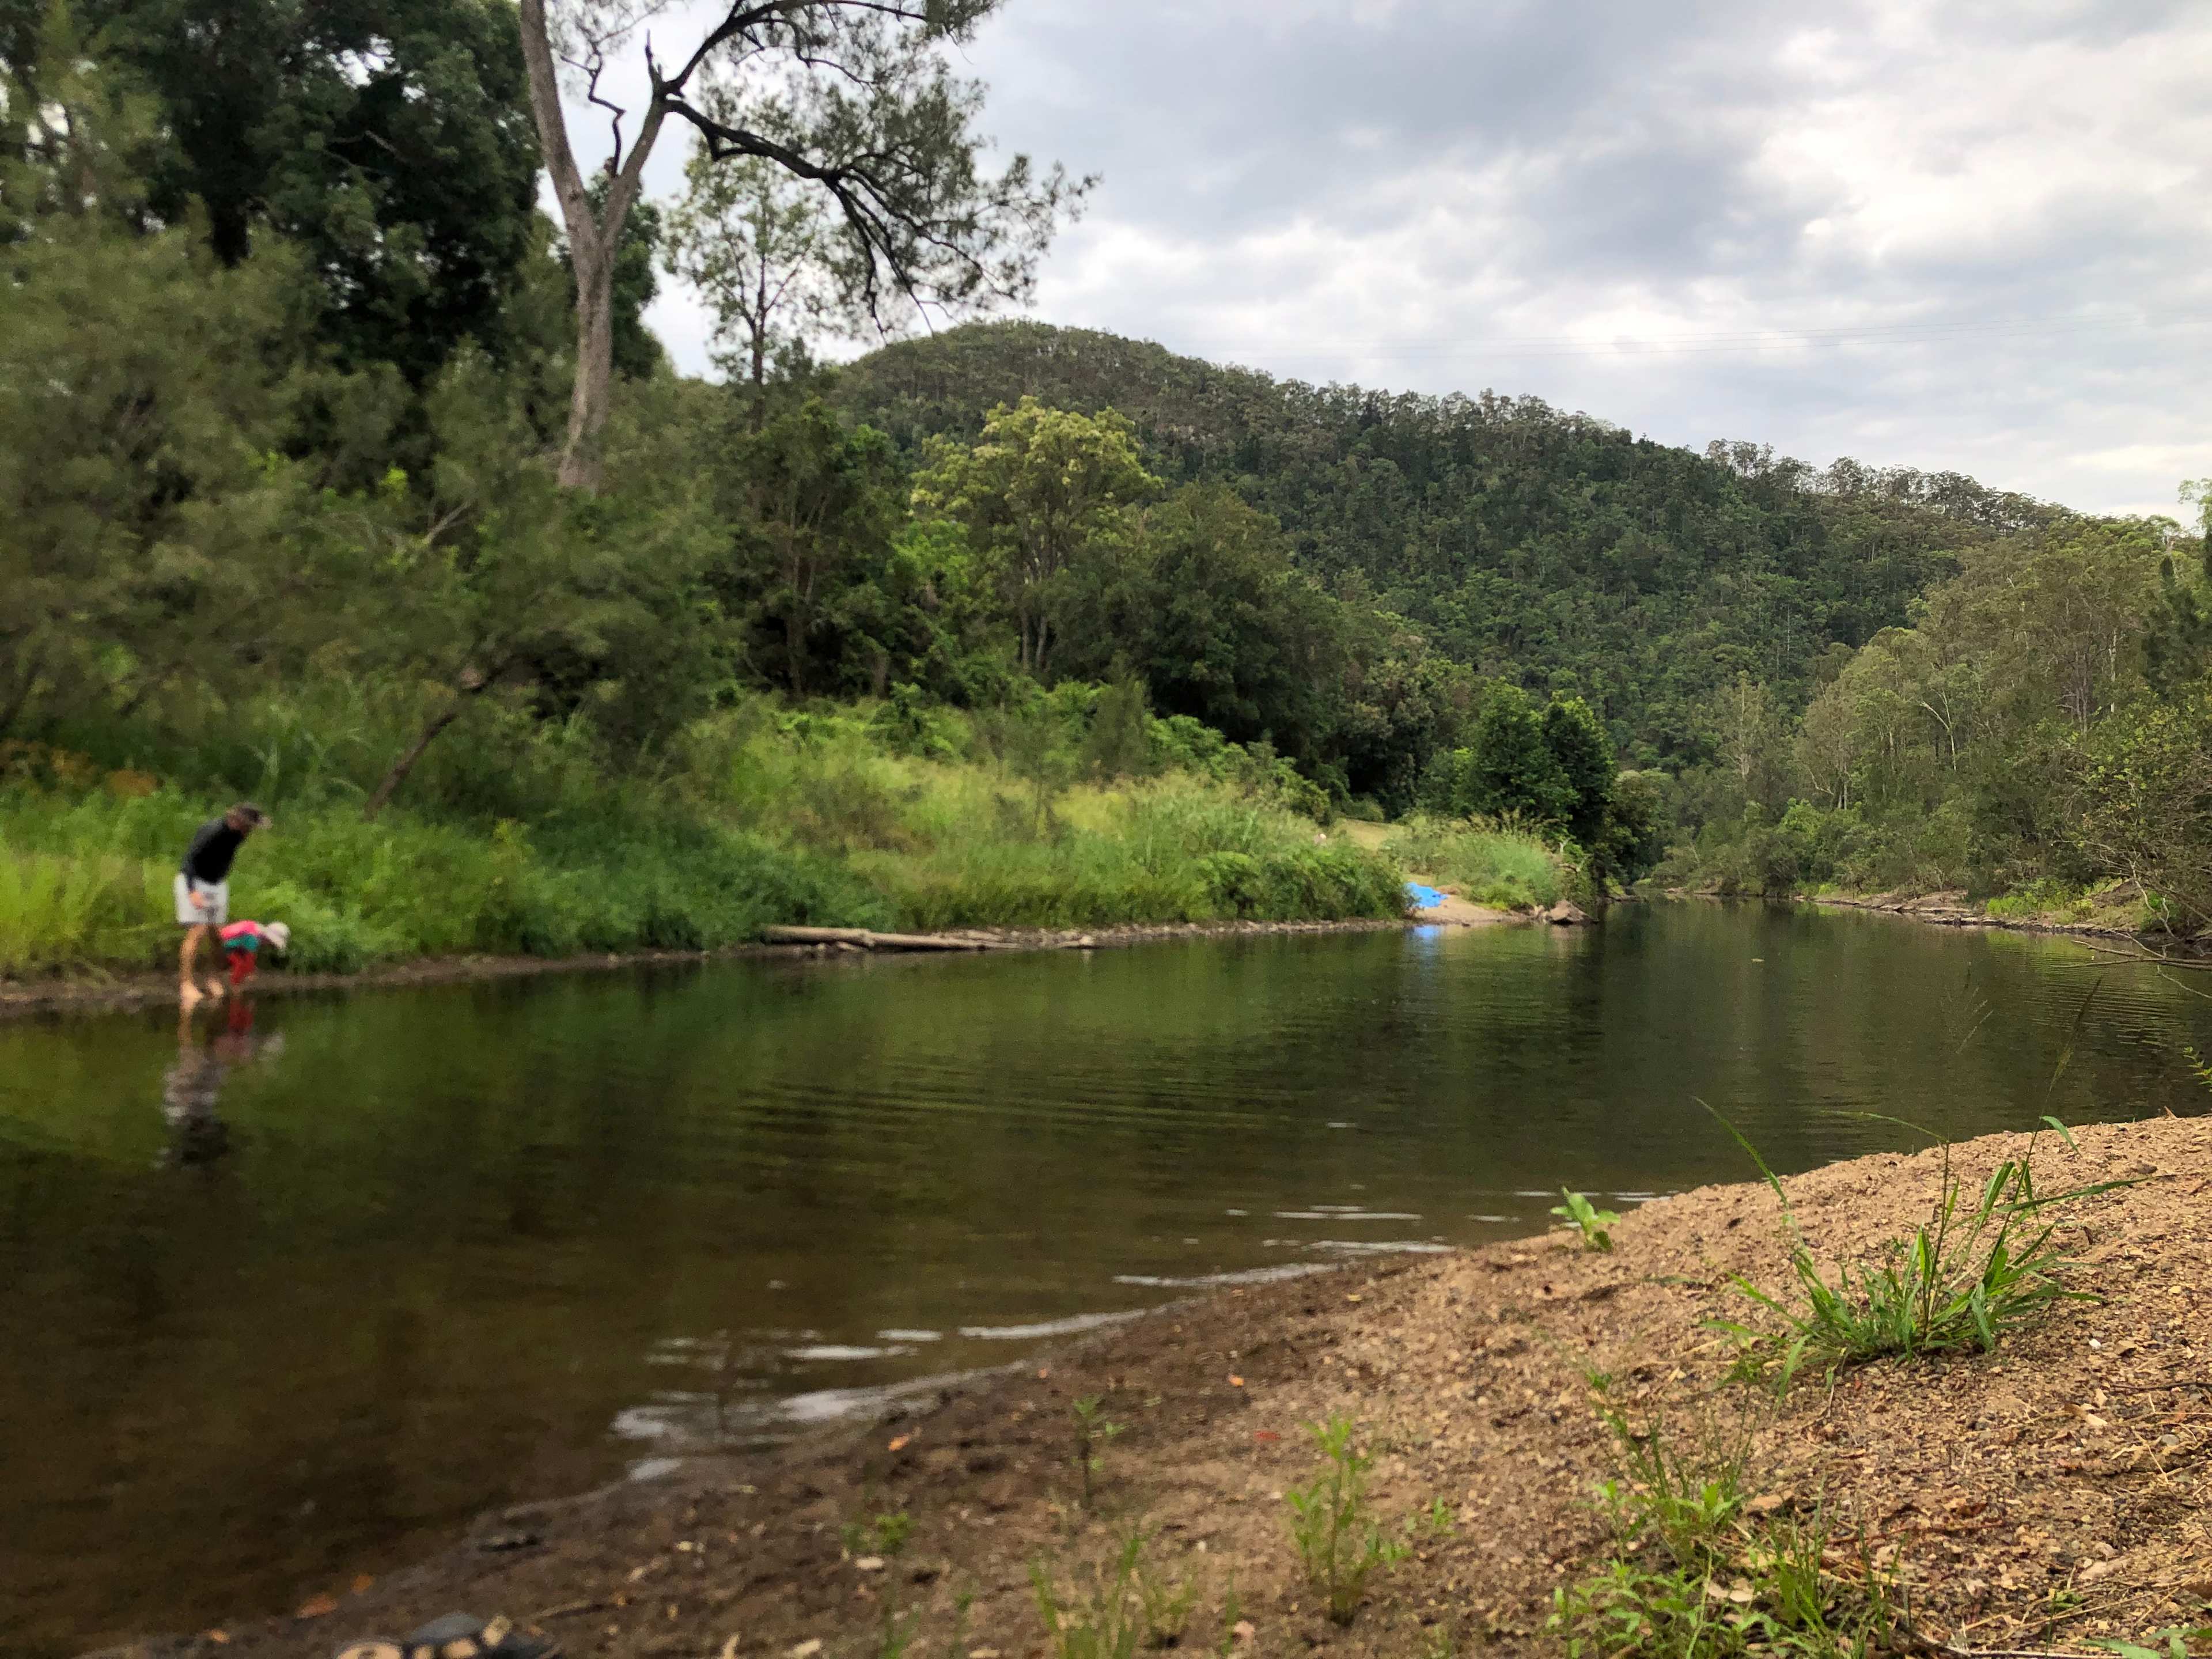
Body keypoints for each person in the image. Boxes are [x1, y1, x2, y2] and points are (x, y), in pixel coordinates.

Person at [176, 802, 269, 1006]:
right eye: (248, 826)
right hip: (194, 882)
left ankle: (213, 979)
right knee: (197, 931)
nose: (250, 831)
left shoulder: (238, 836)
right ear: (236, 821)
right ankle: (186, 985)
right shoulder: (213, 832)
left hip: (216, 884)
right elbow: (189, 860)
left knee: (218, 936)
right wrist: (192, 892)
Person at [218, 918, 291, 988]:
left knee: (244, 964)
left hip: (235, 943)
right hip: (227, 944)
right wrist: (251, 972)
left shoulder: (257, 930)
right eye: (271, 943)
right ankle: (235, 986)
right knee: (241, 964)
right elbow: (250, 958)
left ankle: (236, 980)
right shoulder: (253, 939)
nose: (269, 945)